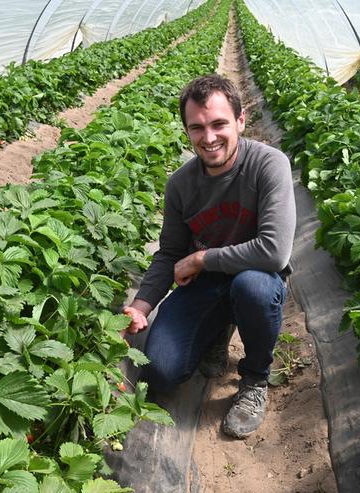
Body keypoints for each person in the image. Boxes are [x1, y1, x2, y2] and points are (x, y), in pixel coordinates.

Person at [122, 74, 296, 438]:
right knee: (159, 372)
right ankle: (217, 328)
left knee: (253, 289)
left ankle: (254, 380)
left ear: (241, 120)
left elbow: (275, 252)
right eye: (197, 128)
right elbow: (169, 252)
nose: (209, 137)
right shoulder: (181, 185)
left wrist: (201, 259)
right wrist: (140, 307)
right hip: (207, 286)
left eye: (219, 124)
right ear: (187, 130)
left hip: (257, 276)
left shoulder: (268, 165)